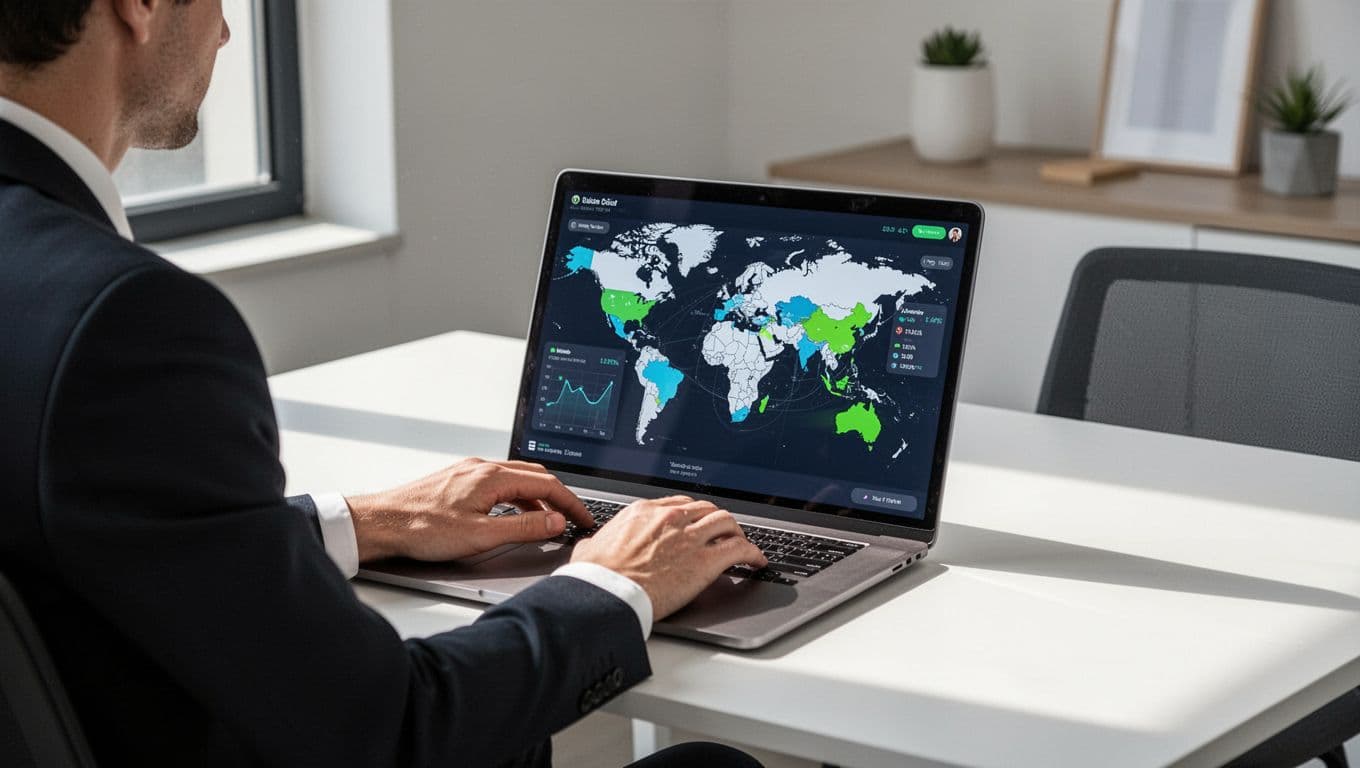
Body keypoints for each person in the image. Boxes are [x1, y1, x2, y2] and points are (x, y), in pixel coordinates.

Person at [0, 1, 767, 766]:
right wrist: (612, 583)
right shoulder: (124, 319)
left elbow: (82, 536)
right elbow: (394, 731)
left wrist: (358, 521)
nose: (229, 31)